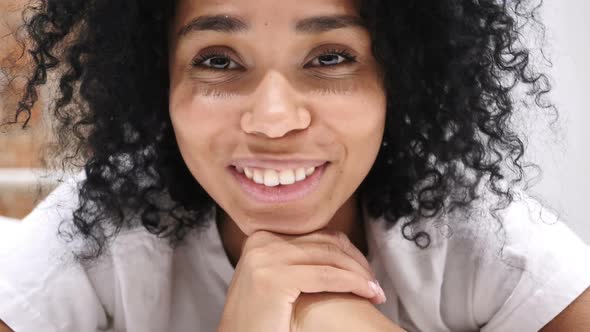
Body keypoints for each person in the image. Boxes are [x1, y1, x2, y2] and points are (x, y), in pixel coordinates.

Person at [1, 0, 589, 331]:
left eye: (330, 57)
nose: (274, 118)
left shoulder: (478, 232)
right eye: (219, 61)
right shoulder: (98, 229)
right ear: (160, 84)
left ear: (399, 80)